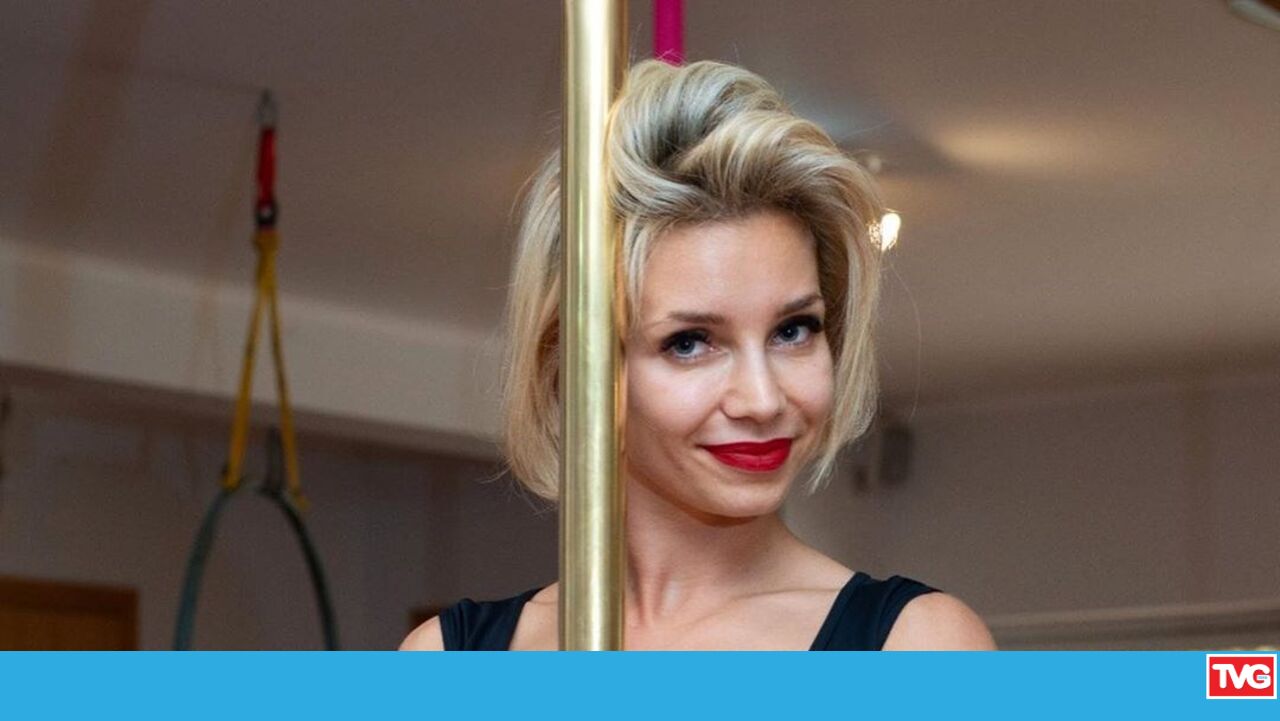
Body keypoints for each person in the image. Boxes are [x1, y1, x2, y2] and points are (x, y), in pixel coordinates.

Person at [402, 59, 996, 651]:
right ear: (575, 368)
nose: (762, 400)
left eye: (793, 330)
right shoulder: (445, 656)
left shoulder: (920, 644)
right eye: (689, 343)